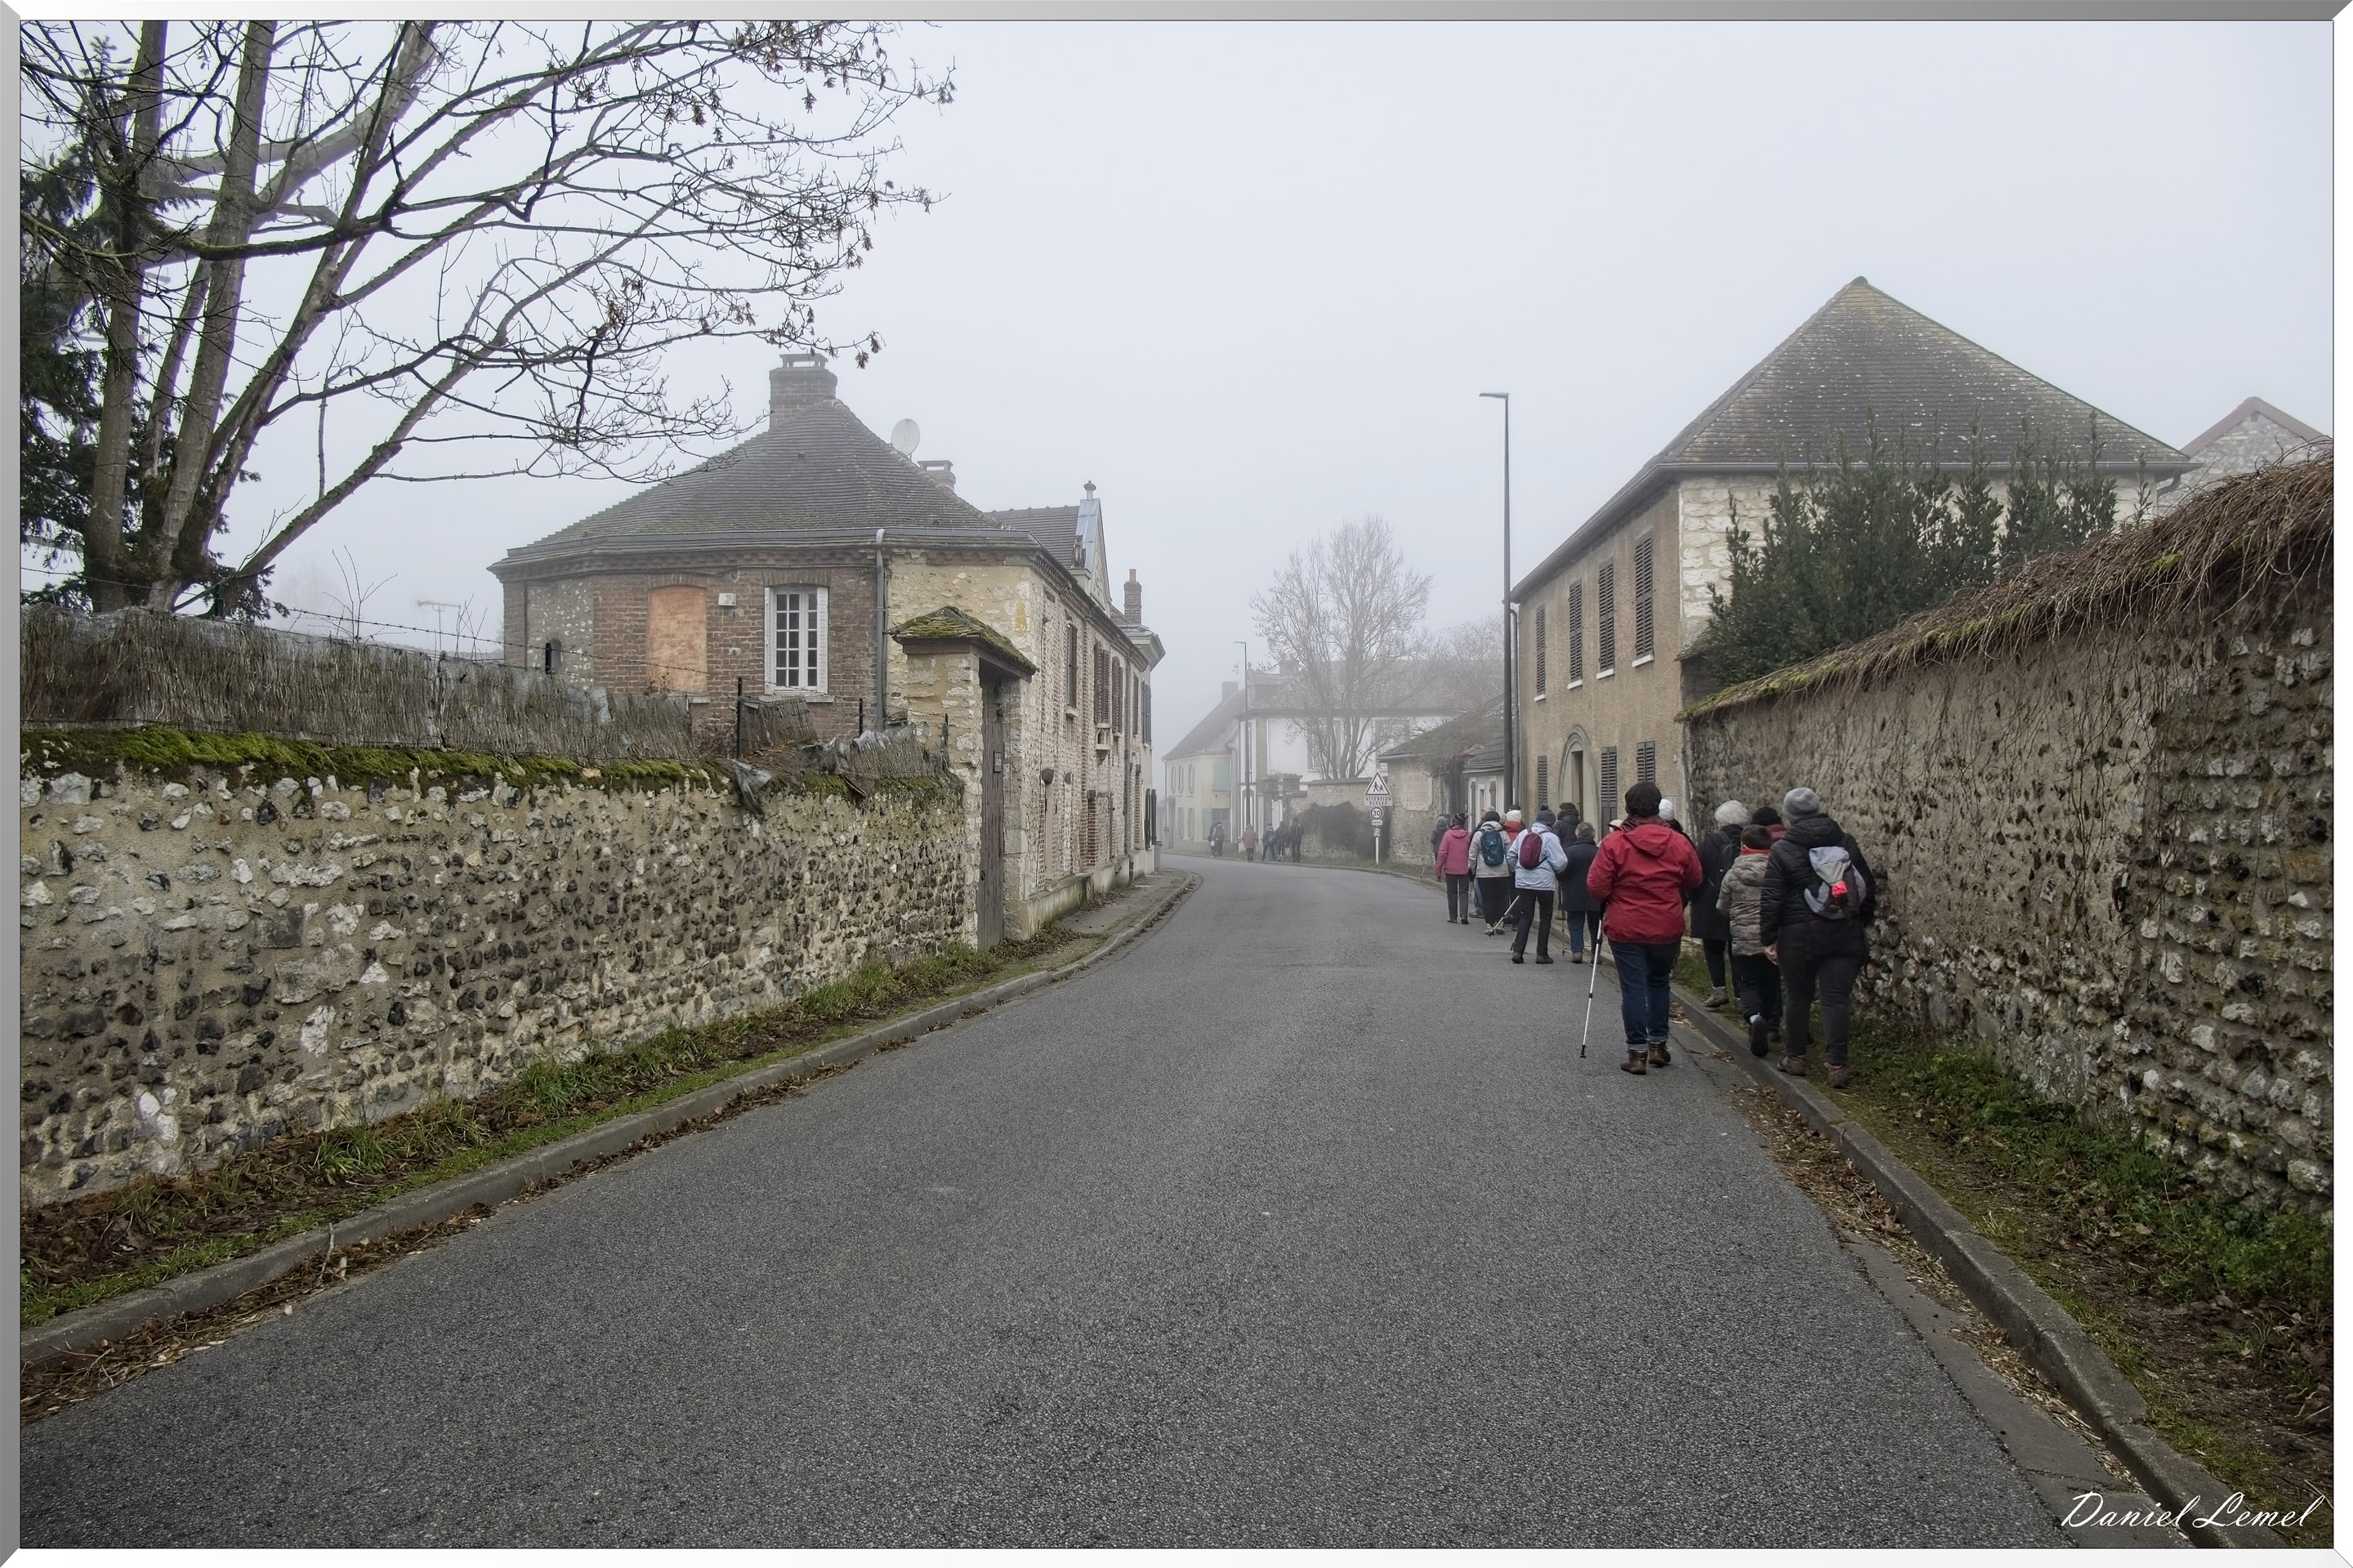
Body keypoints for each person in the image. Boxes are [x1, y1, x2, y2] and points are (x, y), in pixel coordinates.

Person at [1760, 786, 1879, 1089]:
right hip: (1843, 932)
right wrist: (1857, 922)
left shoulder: (1783, 849)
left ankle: (1796, 1058)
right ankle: (1837, 1066)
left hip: (1797, 934)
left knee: (1798, 996)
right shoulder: (1845, 841)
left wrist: (1768, 938)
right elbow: (1867, 887)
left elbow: (1772, 898)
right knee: (1836, 999)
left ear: (1789, 817)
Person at [1584, 780, 1702, 1076]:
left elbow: (1596, 886)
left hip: (1626, 925)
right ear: (1656, 806)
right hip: (1666, 923)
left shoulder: (1615, 843)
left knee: (1633, 988)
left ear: (1628, 807)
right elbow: (1694, 879)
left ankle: (1637, 1053)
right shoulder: (1677, 841)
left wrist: (1615, 896)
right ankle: (1658, 1045)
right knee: (1660, 983)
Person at [1715, 823, 1782, 1057]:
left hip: (1743, 937)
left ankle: (1754, 1017)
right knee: (1771, 982)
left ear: (1743, 846)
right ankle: (1769, 1019)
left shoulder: (1734, 873)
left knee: (1748, 982)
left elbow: (1722, 906)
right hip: (1772, 937)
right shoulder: (1777, 869)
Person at [1694, 799, 1748, 1007]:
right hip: (1741, 904)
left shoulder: (1708, 843)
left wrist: (1694, 897)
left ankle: (1718, 991)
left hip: (1712, 904)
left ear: (1719, 822)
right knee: (1738, 951)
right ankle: (1741, 996)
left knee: (1713, 949)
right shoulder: (1748, 840)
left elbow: (1695, 874)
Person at [1508, 807, 1569, 963]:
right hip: (1544, 883)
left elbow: (1511, 855)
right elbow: (1561, 862)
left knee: (1525, 915)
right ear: (1551, 823)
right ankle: (1541, 954)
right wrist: (1552, 869)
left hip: (1523, 882)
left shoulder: (1523, 834)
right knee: (1545, 916)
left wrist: (1519, 870)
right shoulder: (1550, 837)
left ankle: (1518, 952)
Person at [1558, 821, 1603, 962]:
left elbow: (1561, 873)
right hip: (1594, 894)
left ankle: (1577, 951)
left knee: (1575, 924)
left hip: (1573, 894)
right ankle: (1596, 953)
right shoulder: (1599, 853)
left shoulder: (1570, 852)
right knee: (1596, 925)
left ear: (1577, 834)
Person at [1471, 810, 1514, 932]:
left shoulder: (1478, 834)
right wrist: (1510, 868)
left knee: (1487, 898)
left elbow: (1472, 854)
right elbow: (1509, 853)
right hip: (1501, 872)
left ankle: (1490, 924)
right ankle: (1500, 924)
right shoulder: (1503, 834)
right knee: (1500, 898)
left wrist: (1473, 869)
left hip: (1483, 873)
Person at [1435, 812, 1473, 924]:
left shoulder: (1448, 835)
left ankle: (1453, 917)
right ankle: (1464, 915)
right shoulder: (1468, 835)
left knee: (1452, 893)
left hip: (1450, 869)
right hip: (1464, 868)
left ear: (1454, 822)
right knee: (1463, 892)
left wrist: (1438, 869)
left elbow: (1442, 853)